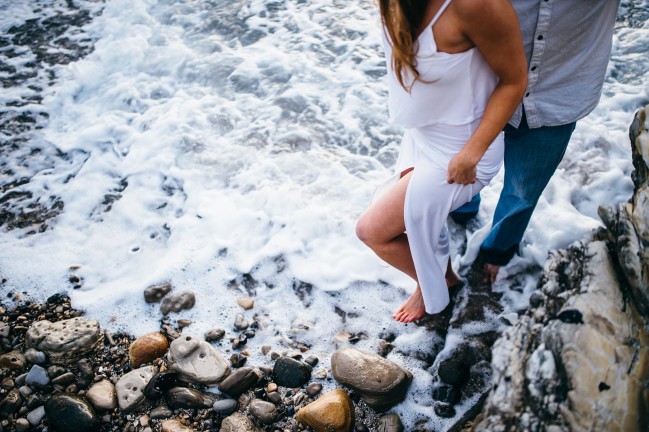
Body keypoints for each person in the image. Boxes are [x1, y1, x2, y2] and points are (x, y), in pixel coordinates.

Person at [355, 0, 527, 323]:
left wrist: (472, 152)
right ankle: (441, 276)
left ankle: (435, 282)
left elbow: (514, 80)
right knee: (422, 223)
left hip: (460, 150)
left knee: (371, 231)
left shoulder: (475, 5)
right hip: (422, 135)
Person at [451, 0, 621, 284]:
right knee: (459, 170)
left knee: (522, 192)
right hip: (481, 84)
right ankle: (460, 215)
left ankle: (496, 252)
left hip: (560, 92)